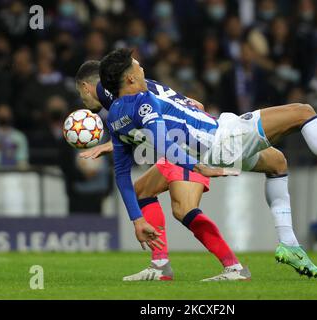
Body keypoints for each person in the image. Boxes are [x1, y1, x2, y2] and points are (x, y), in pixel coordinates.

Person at [99, 48, 317, 271]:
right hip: (223, 138)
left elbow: (122, 174)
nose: (142, 68)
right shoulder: (142, 102)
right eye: (138, 66)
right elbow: (163, 140)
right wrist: (197, 167)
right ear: (129, 76)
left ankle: (289, 244)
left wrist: (137, 219)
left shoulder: (116, 117)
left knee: (278, 162)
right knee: (304, 111)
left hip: (216, 144)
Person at [75, 61, 251, 281]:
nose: (82, 100)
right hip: (174, 147)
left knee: (183, 209)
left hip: (186, 145)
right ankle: (160, 265)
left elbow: (153, 115)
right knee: (142, 191)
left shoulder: (113, 92)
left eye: (80, 93)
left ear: (85, 86)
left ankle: (234, 267)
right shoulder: (126, 92)